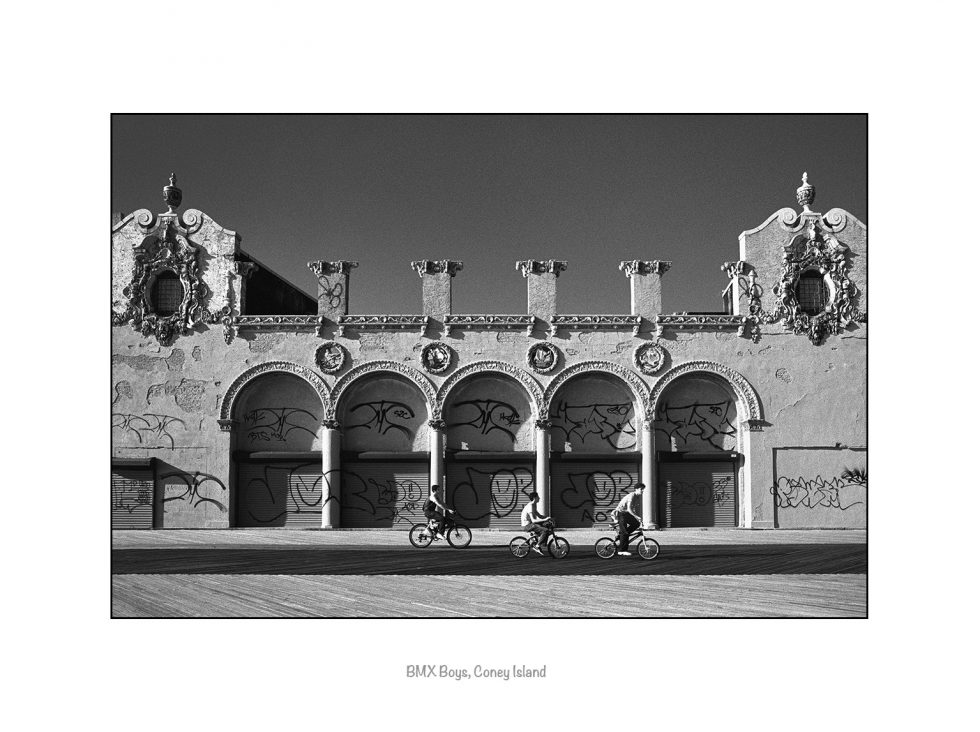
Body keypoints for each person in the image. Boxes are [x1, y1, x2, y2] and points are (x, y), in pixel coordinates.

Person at [611, 483, 645, 555]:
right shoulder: (632, 496)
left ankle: (622, 536)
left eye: (643, 489)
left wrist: (638, 518)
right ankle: (621, 550)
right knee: (625, 532)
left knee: (636, 524)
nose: (642, 491)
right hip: (620, 514)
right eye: (641, 489)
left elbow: (634, 509)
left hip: (626, 514)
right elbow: (629, 509)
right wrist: (637, 517)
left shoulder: (637, 497)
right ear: (636, 489)